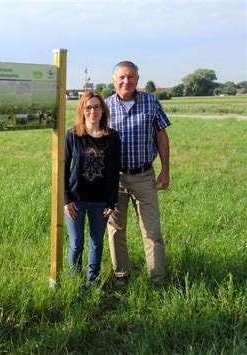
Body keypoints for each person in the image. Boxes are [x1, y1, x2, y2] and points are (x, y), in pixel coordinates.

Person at [105, 61, 171, 286]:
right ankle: (121, 275)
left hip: (144, 176)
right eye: (122, 77)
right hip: (115, 178)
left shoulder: (151, 102)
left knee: (152, 229)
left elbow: (162, 136)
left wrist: (165, 170)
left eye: (131, 77)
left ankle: (158, 278)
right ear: (114, 80)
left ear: (137, 79)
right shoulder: (105, 106)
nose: (126, 81)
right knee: (115, 229)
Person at [64, 91, 121, 289]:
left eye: (96, 107)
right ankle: (75, 282)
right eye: (88, 107)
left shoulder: (112, 137)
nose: (92, 111)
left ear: (103, 110)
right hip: (75, 200)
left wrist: (111, 201)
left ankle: (92, 281)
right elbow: (63, 169)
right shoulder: (73, 135)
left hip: (101, 202)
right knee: (76, 243)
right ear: (82, 110)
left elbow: (114, 172)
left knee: (96, 242)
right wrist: (66, 199)